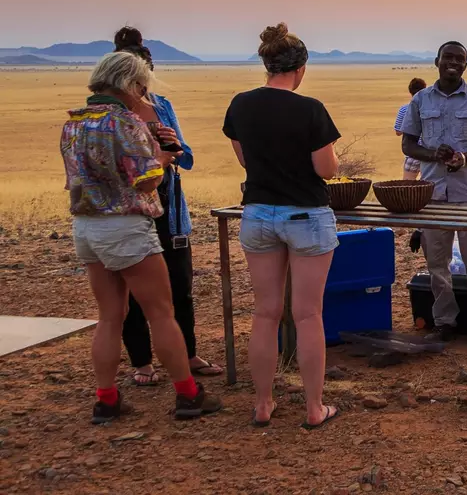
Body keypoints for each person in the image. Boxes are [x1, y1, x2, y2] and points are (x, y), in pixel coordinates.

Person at [61, 52, 221, 424]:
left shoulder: (75, 122)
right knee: (161, 312)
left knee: (109, 316)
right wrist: (163, 157)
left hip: (87, 226)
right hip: (126, 225)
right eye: (142, 87)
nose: (144, 95)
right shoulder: (125, 121)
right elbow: (145, 180)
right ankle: (187, 394)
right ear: (131, 85)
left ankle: (107, 400)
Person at [222, 23, 342, 429]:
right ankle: (313, 408)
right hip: (306, 216)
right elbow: (325, 169)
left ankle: (262, 403)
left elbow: (244, 161)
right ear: (301, 67)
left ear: (266, 63)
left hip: (258, 214)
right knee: (307, 315)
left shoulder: (240, 105)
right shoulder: (310, 109)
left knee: (265, 313)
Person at [111, 28, 222, 386]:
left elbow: (185, 157)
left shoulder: (163, 107)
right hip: (131, 211)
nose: (145, 83)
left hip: (170, 210)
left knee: (180, 285)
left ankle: (187, 353)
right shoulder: (110, 115)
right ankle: (142, 361)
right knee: (131, 292)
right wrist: (156, 159)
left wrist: (173, 150)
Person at [400, 42, 467, 347]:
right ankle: (444, 322)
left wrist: (464, 158)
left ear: (466, 65)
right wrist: (433, 155)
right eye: (448, 57)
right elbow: (408, 144)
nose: (453, 62)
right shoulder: (420, 100)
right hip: (431, 196)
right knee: (437, 265)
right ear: (437, 61)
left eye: (460, 59)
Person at [395, 77, 429, 180]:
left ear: (410, 91)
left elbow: (398, 131)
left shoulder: (404, 109)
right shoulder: (431, 109)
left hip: (413, 152)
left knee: (408, 185)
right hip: (430, 152)